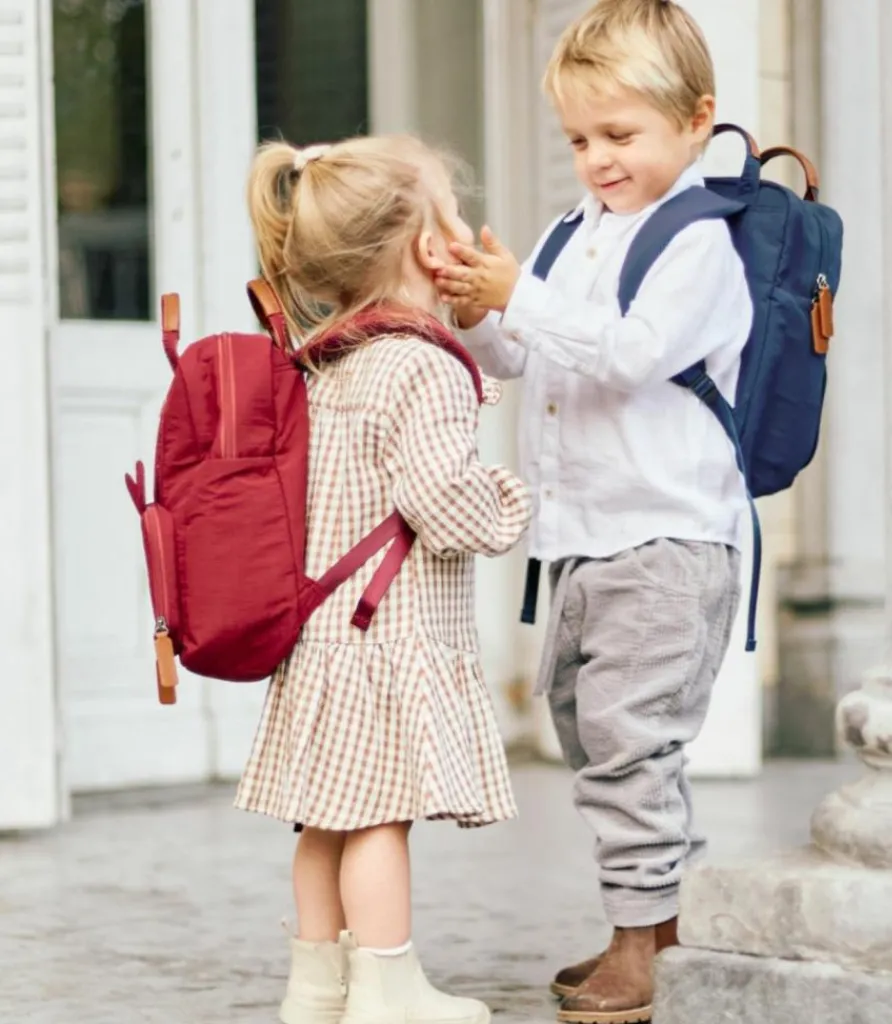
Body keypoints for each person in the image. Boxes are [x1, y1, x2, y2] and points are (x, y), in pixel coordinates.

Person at [436, 2, 751, 1021]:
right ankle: (663, 926)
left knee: (628, 742)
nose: (597, 159)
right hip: (581, 540)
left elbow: (631, 353)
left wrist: (519, 297)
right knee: (593, 736)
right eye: (578, 140)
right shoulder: (572, 234)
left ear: (694, 120)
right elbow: (520, 354)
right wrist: (478, 310)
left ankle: (638, 943)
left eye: (619, 134)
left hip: (667, 537)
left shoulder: (699, 241)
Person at [234, 134, 532, 1024]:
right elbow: (441, 502)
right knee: (378, 818)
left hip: (323, 637)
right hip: (384, 635)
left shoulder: (324, 358)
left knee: (323, 819)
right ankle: (388, 987)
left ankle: (315, 985)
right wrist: (509, 500)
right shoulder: (425, 364)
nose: (465, 230)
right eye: (453, 214)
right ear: (429, 248)